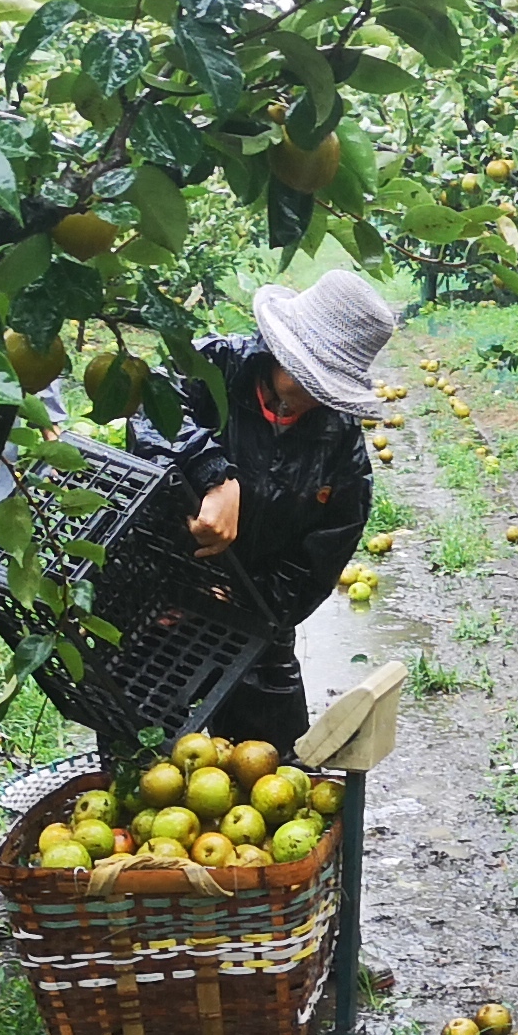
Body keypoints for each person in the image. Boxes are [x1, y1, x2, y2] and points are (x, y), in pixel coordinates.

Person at [166, 268, 399, 753]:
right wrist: (214, 473)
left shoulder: (340, 447)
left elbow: (314, 563)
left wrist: (240, 600)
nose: (321, 396)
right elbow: (152, 418)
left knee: (273, 772)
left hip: (252, 622)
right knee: (143, 764)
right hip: (157, 602)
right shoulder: (215, 368)